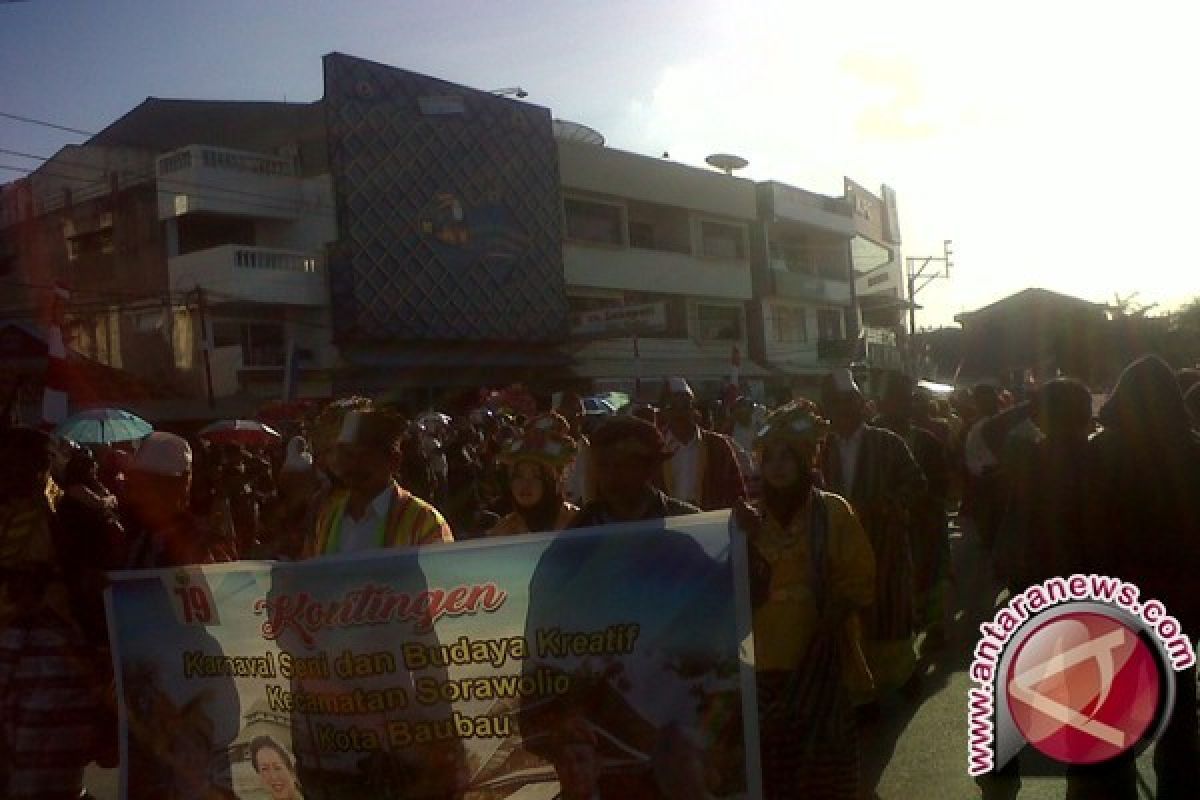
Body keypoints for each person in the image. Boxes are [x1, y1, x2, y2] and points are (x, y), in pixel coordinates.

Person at [1075, 355, 1200, 800]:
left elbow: (1080, 533)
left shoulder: (1099, 452)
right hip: (1181, 605)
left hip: (1115, 603)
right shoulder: (1193, 449)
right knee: (1180, 709)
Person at [736, 402, 874, 799]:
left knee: (827, 773)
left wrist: (835, 612)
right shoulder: (747, 520)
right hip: (761, 665)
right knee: (774, 773)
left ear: (804, 462)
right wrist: (738, 539)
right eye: (769, 457)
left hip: (820, 660)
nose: (777, 466)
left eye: (787, 456)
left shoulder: (832, 511)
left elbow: (860, 577)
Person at [0, 427, 104, 800]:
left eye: (36, 464)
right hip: (21, 645)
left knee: (46, 779)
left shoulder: (67, 509)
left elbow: (88, 572)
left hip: (52, 650)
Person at [818, 369, 926, 705]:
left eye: (850, 403)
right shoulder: (819, 448)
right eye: (837, 404)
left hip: (885, 547)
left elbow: (917, 484)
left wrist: (885, 506)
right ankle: (863, 695)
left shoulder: (887, 442)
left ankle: (904, 675)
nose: (844, 411)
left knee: (889, 614)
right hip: (839, 553)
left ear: (860, 404)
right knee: (851, 618)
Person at [873, 372, 951, 652]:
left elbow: (941, 486)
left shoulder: (927, 441)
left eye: (905, 400)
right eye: (893, 399)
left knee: (930, 576)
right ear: (881, 403)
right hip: (883, 528)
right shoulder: (867, 441)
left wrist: (912, 503)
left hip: (924, 524)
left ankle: (933, 627)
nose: (900, 406)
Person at [305, 410, 453, 556]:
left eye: (365, 455)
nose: (354, 464)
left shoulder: (424, 521)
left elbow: (443, 576)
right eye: (348, 454)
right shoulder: (327, 516)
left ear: (394, 461)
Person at [124, 433, 236, 568]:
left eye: (148, 486)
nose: (137, 495)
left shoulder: (201, 541)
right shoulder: (138, 538)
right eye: (136, 485)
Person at [570, 416, 700, 527]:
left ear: (650, 469)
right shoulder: (584, 524)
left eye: (623, 466)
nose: (611, 476)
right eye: (603, 466)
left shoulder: (683, 520)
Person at [655, 378, 745, 510]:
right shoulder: (655, 448)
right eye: (672, 407)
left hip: (707, 523)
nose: (680, 413)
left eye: (685, 406)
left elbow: (737, 491)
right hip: (666, 526)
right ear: (663, 412)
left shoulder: (717, 446)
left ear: (694, 410)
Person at [487, 413, 579, 535]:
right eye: (518, 476)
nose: (525, 484)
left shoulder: (577, 523)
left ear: (552, 481)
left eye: (536, 477)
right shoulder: (504, 531)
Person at [554, 391, 594, 506]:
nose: (579, 418)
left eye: (580, 413)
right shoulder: (549, 448)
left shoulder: (588, 447)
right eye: (571, 414)